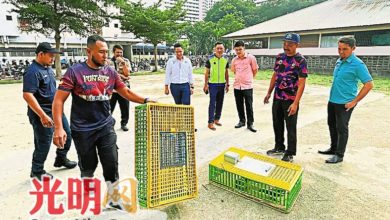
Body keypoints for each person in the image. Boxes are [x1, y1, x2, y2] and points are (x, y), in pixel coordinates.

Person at [52, 35, 154, 209]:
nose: (105, 55)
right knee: (88, 165)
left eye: (106, 52)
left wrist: (146, 100)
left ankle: (114, 199)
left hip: (105, 125)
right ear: (89, 51)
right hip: (82, 129)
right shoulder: (75, 71)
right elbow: (58, 100)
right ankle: (86, 186)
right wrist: (59, 127)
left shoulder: (110, 72)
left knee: (111, 162)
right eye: (101, 52)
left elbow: (126, 92)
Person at [22, 42, 77, 180]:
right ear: (41, 54)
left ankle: (61, 158)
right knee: (44, 142)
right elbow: (27, 95)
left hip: (56, 110)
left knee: (67, 134)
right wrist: (42, 115)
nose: (53, 59)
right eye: (51, 56)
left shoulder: (47, 68)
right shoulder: (32, 71)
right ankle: (37, 170)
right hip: (42, 112)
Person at [318, 36, 374, 164]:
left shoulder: (358, 64)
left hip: (345, 103)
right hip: (332, 101)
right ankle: (333, 148)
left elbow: (369, 84)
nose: (341, 52)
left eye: (345, 49)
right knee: (332, 125)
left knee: (342, 129)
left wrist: (354, 101)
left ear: (353, 49)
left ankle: (339, 155)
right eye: (339, 49)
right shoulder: (339, 61)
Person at [264, 33, 309, 162]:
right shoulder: (279, 57)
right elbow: (275, 75)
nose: (286, 46)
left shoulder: (301, 60)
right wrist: (269, 92)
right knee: (277, 123)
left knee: (290, 126)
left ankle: (290, 152)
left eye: (289, 44)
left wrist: (295, 103)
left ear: (297, 45)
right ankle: (279, 146)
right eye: (285, 44)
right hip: (278, 96)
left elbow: (302, 83)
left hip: (290, 99)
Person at [231, 40, 258, 133]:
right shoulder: (234, 60)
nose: (238, 51)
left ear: (244, 48)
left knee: (249, 105)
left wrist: (249, 78)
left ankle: (250, 123)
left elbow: (255, 70)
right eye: (236, 50)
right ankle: (242, 121)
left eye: (240, 49)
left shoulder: (251, 58)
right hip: (237, 86)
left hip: (247, 86)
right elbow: (234, 71)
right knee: (239, 105)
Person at [203, 42, 229, 130]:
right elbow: (206, 73)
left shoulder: (225, 59)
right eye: (217, 48)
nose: (219, 50)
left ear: (224, 49)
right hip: (212, 84)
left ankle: (216, 119)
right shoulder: (210, 59)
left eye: (221, 48)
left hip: (222, 84)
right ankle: (210, 122)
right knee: (212, 103)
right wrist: (206, 85)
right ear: (214, 49)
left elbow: (226, 72)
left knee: (220, 102)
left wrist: (227, 84)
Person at [109, 45, 131, 131]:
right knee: (109, 108)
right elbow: (108, 75)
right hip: (111, 89)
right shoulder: (108, 62)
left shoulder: (126, 61)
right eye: (117, 52)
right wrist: (121, 75)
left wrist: (123, 64)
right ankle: (109, 125)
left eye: (121, 52)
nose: (119, 54)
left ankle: (124, 124)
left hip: (124, 88)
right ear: (113, 52)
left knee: (125, 107)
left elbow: (127, 74)